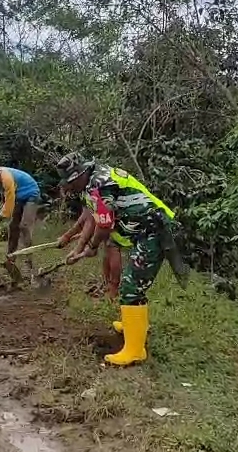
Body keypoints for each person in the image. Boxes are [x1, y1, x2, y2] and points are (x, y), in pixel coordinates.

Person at [55, 153, 187, 366]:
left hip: (153, 230)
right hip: (143, 231)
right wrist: (79, 247)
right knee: (133, 285)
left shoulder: (99, 184)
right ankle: (134, 326)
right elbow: (91, 216)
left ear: (81, 174)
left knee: (131, 286)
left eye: (72, 181)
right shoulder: (93, 181)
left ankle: (135, 351)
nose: (71, 186)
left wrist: (92, 247)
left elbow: (104, 225)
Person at [0, 165, 41, 279]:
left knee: (24, 227)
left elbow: (8, 209)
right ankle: (10, 260)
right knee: (12, 227)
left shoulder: (6, 179)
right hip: (18, 196)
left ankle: (28, 263)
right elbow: (6, 201)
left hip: (31, 194)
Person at [58, 207, 129, 301]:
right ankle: (107, 285)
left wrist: (92, 246)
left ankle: (113, 291)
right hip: (112, 215)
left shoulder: (96, 194)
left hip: (131, 217)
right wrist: (69, 238)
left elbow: (102, 225)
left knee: (112, 243)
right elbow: (88, 217)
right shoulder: (89, 196)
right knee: (107, 241)